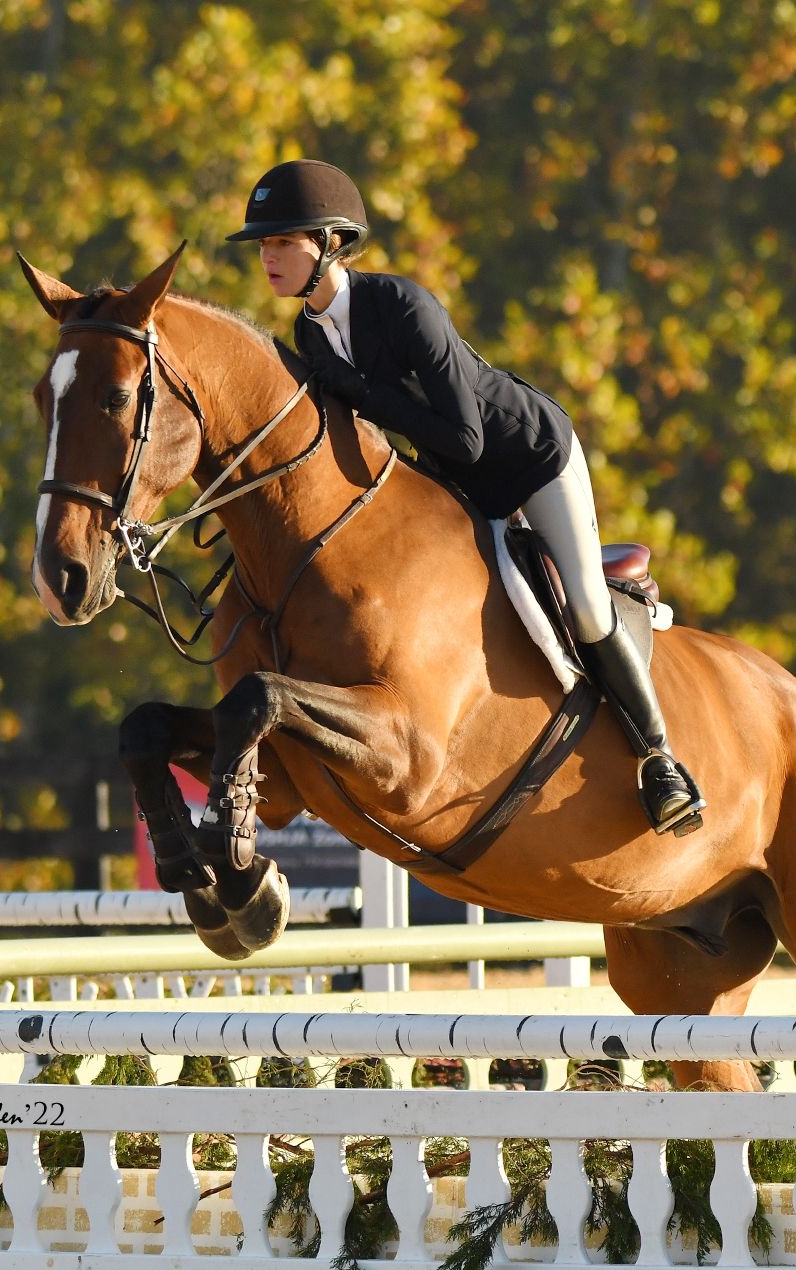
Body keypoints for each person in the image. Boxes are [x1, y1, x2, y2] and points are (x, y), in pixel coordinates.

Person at [226, 159, 705, 836]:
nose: (268, 257)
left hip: (529, 458)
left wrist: (358, 392)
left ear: (330, 243)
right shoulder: (310, 333)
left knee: (587, 610)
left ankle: (661, 762)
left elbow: (466, 436)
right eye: (265, 245)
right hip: (451, 486)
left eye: (283, 242)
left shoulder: (402, 308)